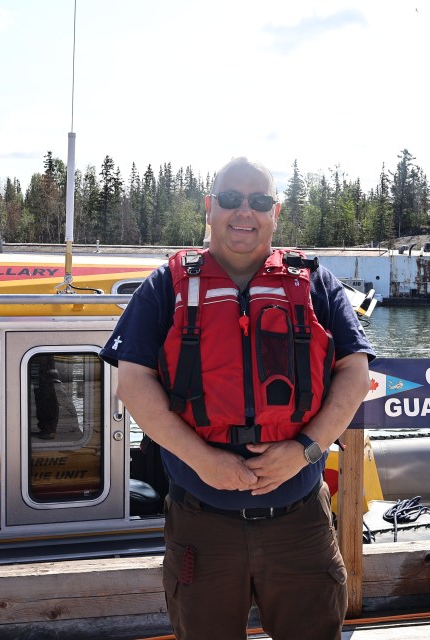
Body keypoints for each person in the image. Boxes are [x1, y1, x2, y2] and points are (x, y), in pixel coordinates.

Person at [100, 157, 373, 639]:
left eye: (259, 201)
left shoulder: (314, 282)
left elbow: (355, 372)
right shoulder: (167, 285)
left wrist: (305, 450)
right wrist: (203, 459)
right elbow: (133, 383)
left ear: (275, 213)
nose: (244, 212)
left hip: (300, 523)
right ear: (210, 207)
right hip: (202, 526)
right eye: (230, 199)